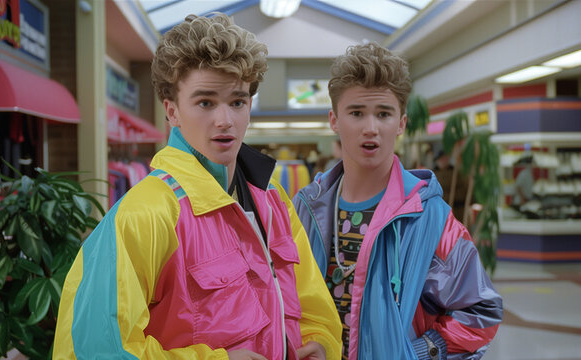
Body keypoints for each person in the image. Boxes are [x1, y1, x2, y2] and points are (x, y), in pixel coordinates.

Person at [54, 13, 341, 360]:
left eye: (237, 102)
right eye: (205, 102)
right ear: (172, 111)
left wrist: (319, 341)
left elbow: (312, 302)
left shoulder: (272, 200)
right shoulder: (147, 213)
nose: (225, 120)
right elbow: (95, 348)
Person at [292, 42, 502, 360]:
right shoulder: (306, 208)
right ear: (334, 120)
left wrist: (415, 353)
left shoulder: (431, 218)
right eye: (357, 113)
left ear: (401, 123)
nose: (371, 128)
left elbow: (481, 312)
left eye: (384, 114)